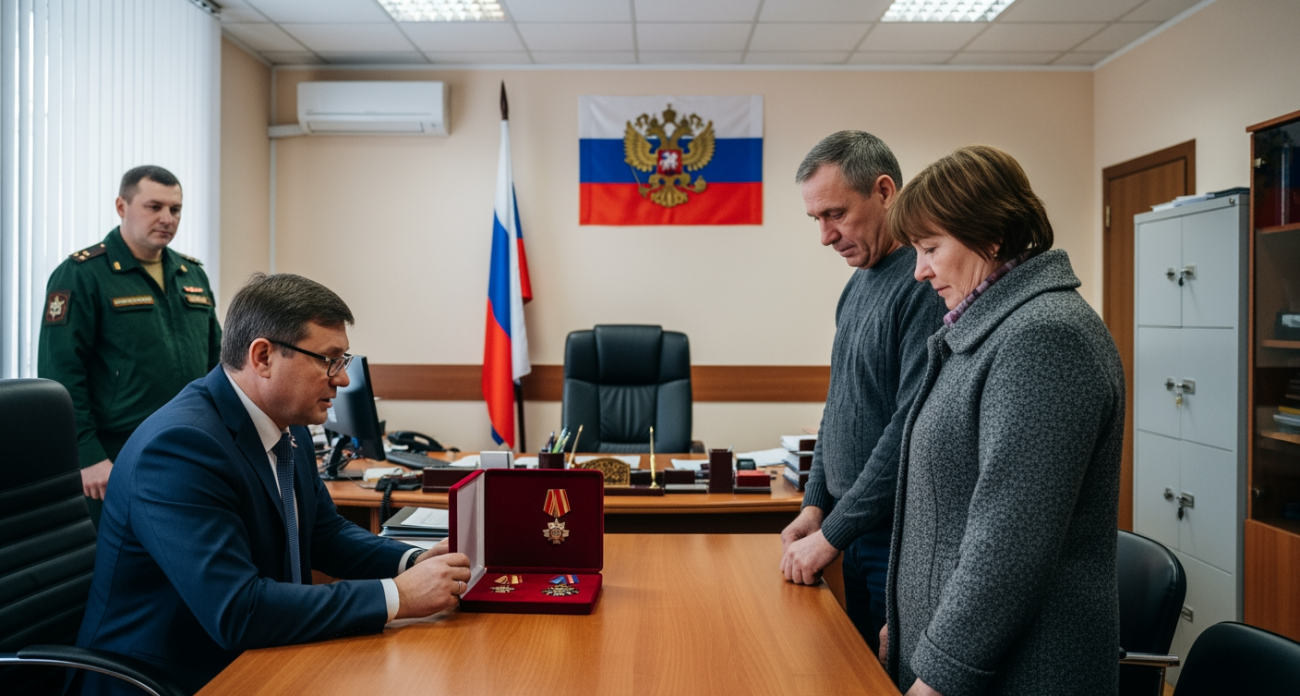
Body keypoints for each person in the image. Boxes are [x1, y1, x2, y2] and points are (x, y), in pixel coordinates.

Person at [75, 273, 472, 695]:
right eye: (328, 360)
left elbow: (323, 533)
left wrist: (412, 563)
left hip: (260, 654)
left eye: (344, 361)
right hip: (171, 677)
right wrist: (397, 596)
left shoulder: (288, 426)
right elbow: (238, 610)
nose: (340, 379)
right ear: (262, 356)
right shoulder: (180, 448)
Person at [881, 145, 1124, 696]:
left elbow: (1007, 547)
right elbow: (947, 513)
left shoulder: (1044, 338)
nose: (919, 271)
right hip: (963, 656)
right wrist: (906, 618)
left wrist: (938, 671)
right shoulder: (991, 330)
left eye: (929, 248)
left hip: (1019, 673)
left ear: (989, 236)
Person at [780, 131, 946, 653]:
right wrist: (814, 504)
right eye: (816, 220)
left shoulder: (923, 286)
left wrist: (833, 532)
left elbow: (908, 428)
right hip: (852, 529)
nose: (826, 236)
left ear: (884, 191)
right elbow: (840, 405)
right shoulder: (858, 284)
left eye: (835, 214)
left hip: (896, 536)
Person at [38, 165, 222, 526]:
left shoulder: (192, 273)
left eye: (175, 209)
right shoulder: (83, 273)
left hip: (189, 445)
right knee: (122, 564)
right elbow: (60, 374)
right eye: (154, 207)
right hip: (116, 453)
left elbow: (216, 363)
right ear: (121, 206)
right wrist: (86, 455)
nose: (167, 218)